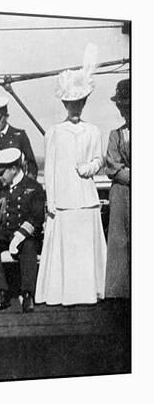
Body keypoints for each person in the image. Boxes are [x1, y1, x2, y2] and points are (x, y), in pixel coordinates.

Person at [36, 46, 107, 306]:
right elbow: (51, 169)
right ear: (65, 104)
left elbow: (98, 159)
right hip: (64, 200)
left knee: (84, 247)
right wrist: (51, 201)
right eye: (70, 103)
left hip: (85, 198)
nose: (75, 107)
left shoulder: (93, 131)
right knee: (67, 248)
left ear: (84, 103)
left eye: (79, 103)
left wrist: (89, 168)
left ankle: (88, 292)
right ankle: (64, 292)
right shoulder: (54, 133)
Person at [0, 148, 45, 313]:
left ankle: (28, 294)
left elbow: (36, 218)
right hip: (5, 233)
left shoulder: (33, 187)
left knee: (29, 247)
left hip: (26, 234)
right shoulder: (1, 187)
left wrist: (19, 237)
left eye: (2, 173)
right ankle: (2, 290)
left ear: (14, 169)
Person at [0, 96, 38, 213]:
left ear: (6, 116)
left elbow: (32, 165)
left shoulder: (19, 136)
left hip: (19, 192)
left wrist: (27, 187)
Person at [105, 78, 130, 298]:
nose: (124, 111)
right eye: (122, 107)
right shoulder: (117, 134)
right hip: (122, 192)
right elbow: (112, 164)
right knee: (120, 241)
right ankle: (120, 290)